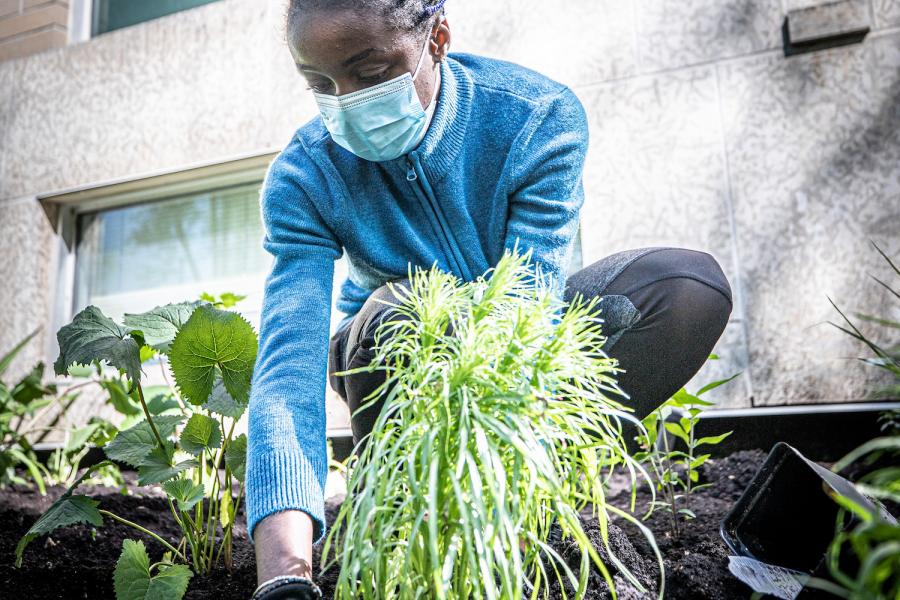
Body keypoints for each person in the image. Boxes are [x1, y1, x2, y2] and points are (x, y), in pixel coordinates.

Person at [246, 1, 734, 598]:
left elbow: (529, 304)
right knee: (404, 308)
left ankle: (533, 502)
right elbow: (287, 365)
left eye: (370, 74)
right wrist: (284, 573)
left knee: (686, 288)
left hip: (522, 348)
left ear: (437, 39)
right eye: (320, 84)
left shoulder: (534, 117)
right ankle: (398, 520)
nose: (345, 101)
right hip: (389, 349)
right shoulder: (306, 176)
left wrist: (502, 461)